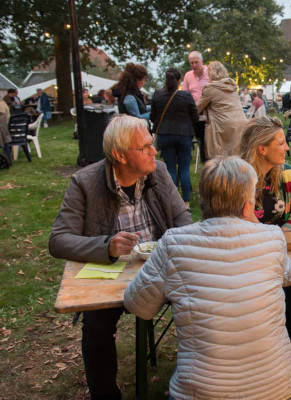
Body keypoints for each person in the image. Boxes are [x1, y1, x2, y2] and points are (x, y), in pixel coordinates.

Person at [124, 156, 291, 400]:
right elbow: (286, 275)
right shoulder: (272, 237)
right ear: (248, 202)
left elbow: (138, 305)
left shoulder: (174, 243)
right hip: (279, 389)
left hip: (204, 392)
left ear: (202, 198)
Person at [48, 115, 192, 400]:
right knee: (96, 326)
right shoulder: (85, 183)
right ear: (119, 155)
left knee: (209, 297)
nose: (155, 151)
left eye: (152, 144)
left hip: (160, 270)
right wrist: (107, 246)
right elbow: (58, 240)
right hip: (111, 276)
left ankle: (205, 378)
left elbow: (182, 219)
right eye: (145, 147)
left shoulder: (159, 172)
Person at [239, 117, 291, 384]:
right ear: (261, 148)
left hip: (281, 252)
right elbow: (233, 227)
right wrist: (274, 234)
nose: (287, 148)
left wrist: (274, 234)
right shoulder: (237, 178)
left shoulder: (287, 173)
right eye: (281, 143)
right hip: (247, 260)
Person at [150, 68, 199, 209]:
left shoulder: (157, 95)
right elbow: (195, 116)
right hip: (184, 134)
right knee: (184, 168)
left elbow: (153, 117)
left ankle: (172, 200)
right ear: (179, 81)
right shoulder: (186, 96)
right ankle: (186, 201)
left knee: (170, 168)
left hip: (165, 134)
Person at [197, 61, 248, 159]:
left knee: (221, 158)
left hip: (223, 125)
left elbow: (197, 108)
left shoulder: (210, 88)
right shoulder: (232, 86)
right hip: (241, 122)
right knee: (237, 156)